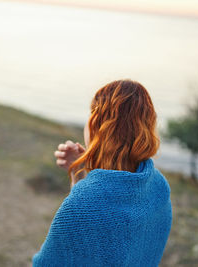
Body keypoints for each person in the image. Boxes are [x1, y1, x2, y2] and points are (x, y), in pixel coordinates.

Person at [32, 79, 172, 266]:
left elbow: (46, 264)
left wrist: (83, 187)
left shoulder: (82, 203)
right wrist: (79, 177)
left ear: (98, 127)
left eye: (91, 114)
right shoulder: (159, 187)